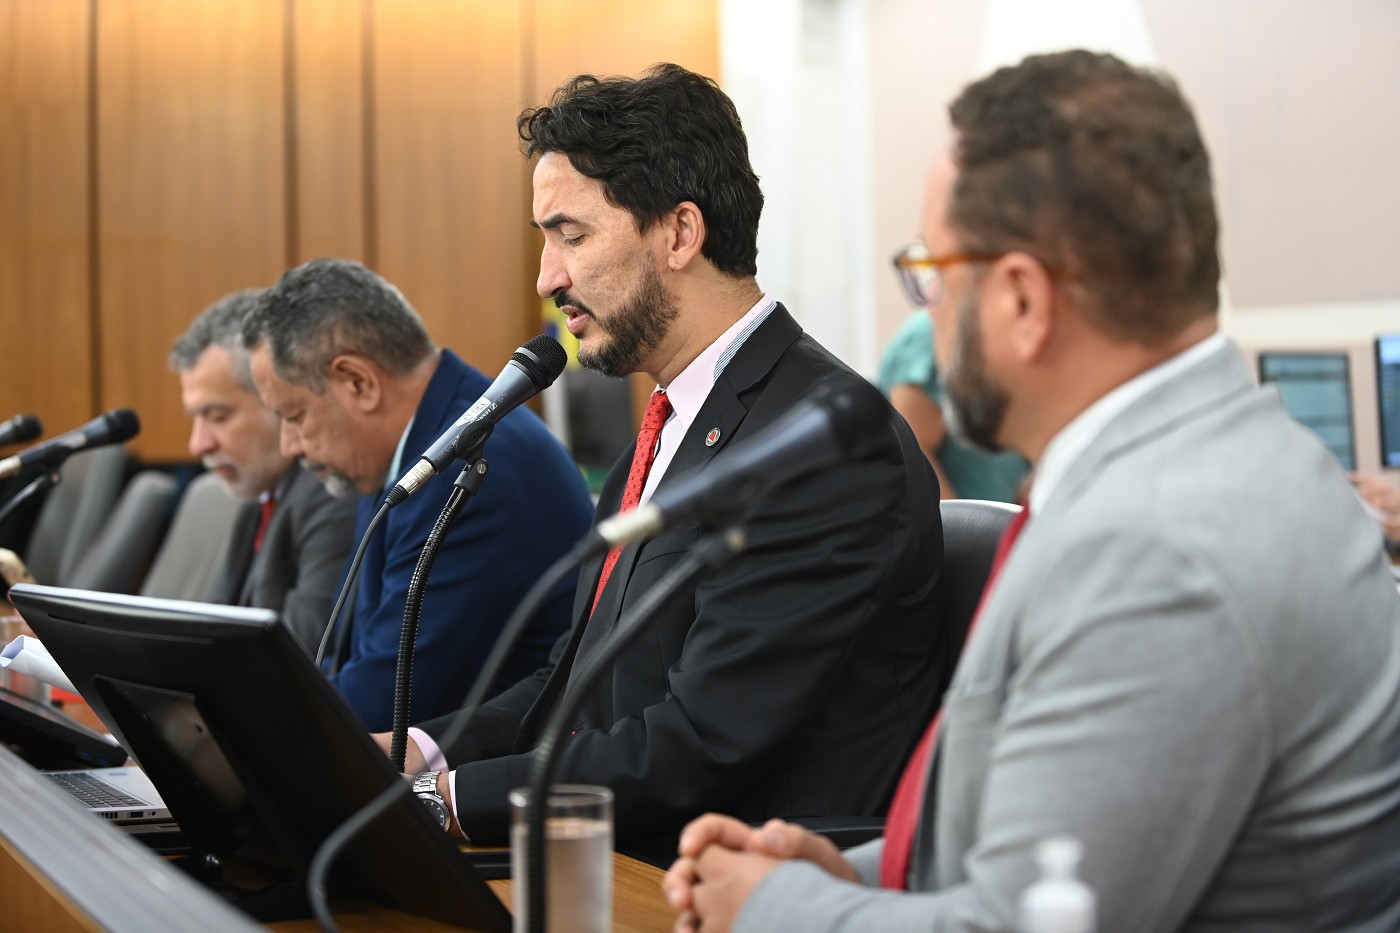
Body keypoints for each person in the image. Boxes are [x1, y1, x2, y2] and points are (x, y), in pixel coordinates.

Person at [665, 50, 1400, 931]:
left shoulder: (1156, 549)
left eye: (935, 274)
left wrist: (773, 906)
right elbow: (1054, 838)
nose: (927, 310)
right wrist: (852, 876)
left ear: (1022, 300)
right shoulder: (1228, 456)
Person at [390, 63, 946, 859]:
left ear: (681, 233)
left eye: (572, 235)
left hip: (727, 879)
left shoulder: (824, 448)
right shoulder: (658, 436)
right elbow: (570, 687)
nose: (547, 277)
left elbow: (699, 741)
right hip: (621, 853)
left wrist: (440, 803)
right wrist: (412, 755)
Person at [241, 258, 595, 732]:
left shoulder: (470, 470)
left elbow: (376, 714)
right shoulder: (406, 445)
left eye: (294, 416)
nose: (289, 446)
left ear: (358, 383)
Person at [170, 289, 357, 654]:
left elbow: (300, 658)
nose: (198, 444)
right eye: (196, 420)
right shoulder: (261, 494)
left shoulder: (331, 494)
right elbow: (206, 633)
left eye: (218, 416)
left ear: (277, 398)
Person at [878, 307, 1029, 501]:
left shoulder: (1007, 334)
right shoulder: (930, 338)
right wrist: (960, 520)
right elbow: (914, 454)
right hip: (962, 516)